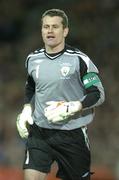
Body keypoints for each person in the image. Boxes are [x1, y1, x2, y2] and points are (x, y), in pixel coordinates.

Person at [16, 8, 105, 180]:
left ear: (65, 31)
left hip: (72, 135)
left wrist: (75, 106)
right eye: (46, 26)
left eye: (55, 27)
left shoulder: (80, 60)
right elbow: (31, 85)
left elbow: (98, 93)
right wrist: (27, 108)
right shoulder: (32, 59)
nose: (49, 30)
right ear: (41, 30)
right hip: (40, 133)